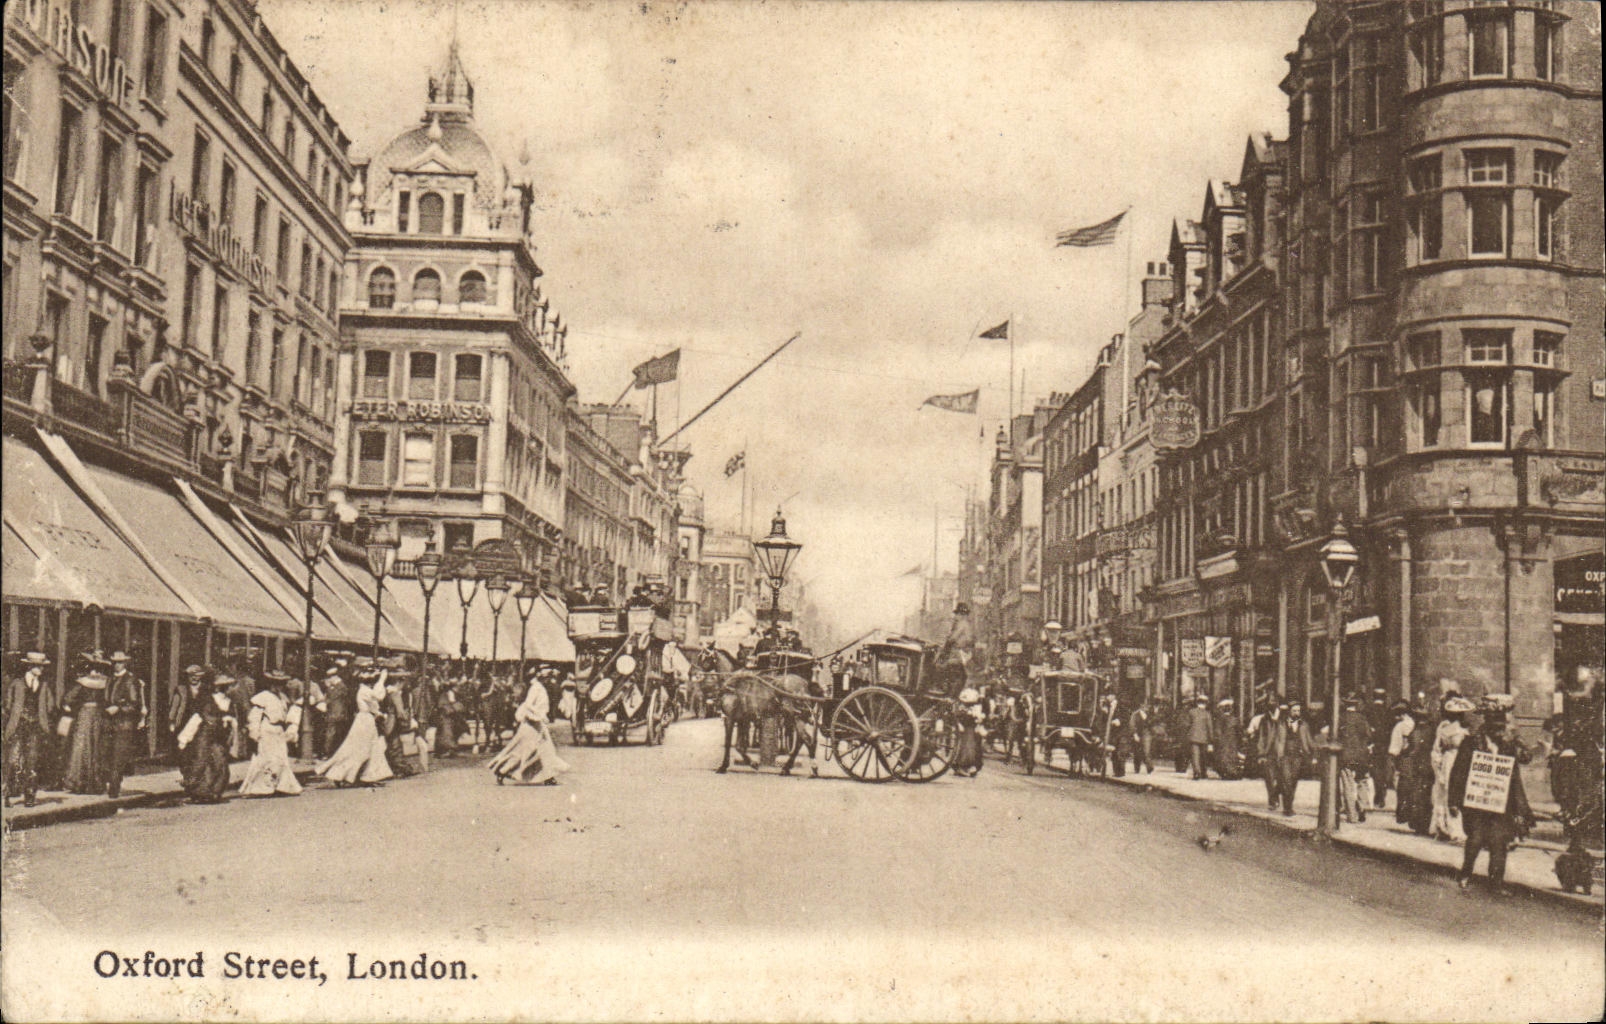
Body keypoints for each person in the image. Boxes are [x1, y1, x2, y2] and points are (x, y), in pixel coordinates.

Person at [1449, 694, 1533, 895]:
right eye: (1495, 725)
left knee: (1499, 842)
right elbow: (1458, 772)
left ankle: (1496, 883)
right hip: (1477, 799)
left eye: (1501, 724)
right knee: (1476, 838)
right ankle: (1466, 873)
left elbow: (1526, 758)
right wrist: (1453, 800)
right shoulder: (1472, 743)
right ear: (1486, 724)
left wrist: (1518, 740)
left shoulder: (1509, 743)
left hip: (1502, 801)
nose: (1499, 729)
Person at [316, 667, 393, 787]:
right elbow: (379, 697)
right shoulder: (364, 690)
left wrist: (378, 714)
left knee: (371, 748)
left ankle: (369, 776)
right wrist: (382, 680)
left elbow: (373, 706)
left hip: (367, 720)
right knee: (360, 749)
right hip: (364, 721)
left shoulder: (364, 690)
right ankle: (342, 774)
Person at [487, 675, 570, 785]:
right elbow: (529, 704)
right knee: (523, 750)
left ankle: (549, 777)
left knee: (545, 750)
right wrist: (540, 714)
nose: (548, 679)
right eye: (546, 677)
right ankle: (502, 771)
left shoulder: (539, 687)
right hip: (531, 725)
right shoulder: (536, 688)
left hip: (537, 724)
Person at [4, 652, 57, 807]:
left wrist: (44, 717)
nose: (41, 669)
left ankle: (30, 796)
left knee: (32, 762)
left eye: (42, 666)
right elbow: (8, 705)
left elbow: (51, 705)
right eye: (38, 666)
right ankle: (8, 794)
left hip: (35, 726)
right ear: (30, 666)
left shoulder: (44, 685)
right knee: (13, 760)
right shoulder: (17, 683)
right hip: (18, 726)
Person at [239, 671, 303, 797]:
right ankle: (260, 788)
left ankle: (281, 785)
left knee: (280, 759)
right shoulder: (263, 697)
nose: (278, 687)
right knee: (266, 759)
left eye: (281, 684)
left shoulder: (282, 697)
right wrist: (254, 732)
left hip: (278, 731)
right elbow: (255, 716)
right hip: (267, 730)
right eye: (275, 684)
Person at [177, 675, 235, 804]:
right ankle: (200, 792)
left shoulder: (228, 701)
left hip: (219, 736)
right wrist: (184, 738)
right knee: (201, 761)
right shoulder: (208, 700)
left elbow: (231, 717)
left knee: (219, 762)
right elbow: (197, 718)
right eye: (226, 687)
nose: (229, 689)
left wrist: (229, 721)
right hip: (204, 734)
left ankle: (215, 791)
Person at [62, 658, 113, 795]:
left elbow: (68, 699)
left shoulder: (82, 682)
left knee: (83, 747)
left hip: (85, 715)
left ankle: (80, 782)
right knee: (96, 747)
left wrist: (71, 708)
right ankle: (95, 782)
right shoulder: (106, 682)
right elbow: (109, 700)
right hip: (99, 715)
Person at [103, 651, 147, 799]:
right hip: (110, 723)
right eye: (115, 662)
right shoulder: (110, 679)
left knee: (118, 756)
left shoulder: (130, 680)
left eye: (120, 662)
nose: (117, 665)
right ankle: (110, 784)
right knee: (109, 755)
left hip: (124, 724)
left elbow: (134, 704)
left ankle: (114, 788)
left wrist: (119, 708)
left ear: (125, 663)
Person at [1260, 701, 1315, 816]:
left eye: (1298, 711)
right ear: (1289, 711)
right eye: (1294, 711)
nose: (1297, 713)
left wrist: (1313, 753)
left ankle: (1277, 794)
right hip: (1284, 755)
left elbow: (1309, 741)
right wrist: (1264, 753)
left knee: (1293, 781)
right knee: (1287, 781)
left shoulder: (1304, 725)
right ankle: (1288, 808)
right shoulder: (1280, 724)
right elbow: (1272, 738)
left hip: (1298, 756)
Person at [1430, 695, 1474, 842]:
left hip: (1455, 760)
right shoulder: (1453, 729)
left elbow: (1437, 749)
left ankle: (1446, 826)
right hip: (1453, 760)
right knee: (1451, 792)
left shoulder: (1453, 729)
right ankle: (1451, 828)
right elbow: (1438, 748)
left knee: (1451, 792)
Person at [1337, 695, 1374, 823]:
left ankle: (1352, 815)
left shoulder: (1341, 718)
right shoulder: (1362, 718)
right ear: (1355, 705)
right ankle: (1362, 806)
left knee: (1348, 785)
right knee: (1362, 781)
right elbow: (1368, 735)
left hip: (1346, 756)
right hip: (1361, 756)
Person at [1383, 701, 1414, 816]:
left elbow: (1402, 743)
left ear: (1401, 714)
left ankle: (1403, 810)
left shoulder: (1402, 725)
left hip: (1400, 756)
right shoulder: (1411, 723)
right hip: (1407, 757)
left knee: (1401, 784)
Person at [937, 602, 974, 693]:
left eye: (957, 614)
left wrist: (945, 645)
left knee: (945, 670)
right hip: (961, 654)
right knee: (958, 675)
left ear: (961, 614)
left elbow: (953, 638)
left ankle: (947, 692)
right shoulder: (965, 624)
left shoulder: (962, 624)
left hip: (958, 655)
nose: (955, 617)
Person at [320, 662, 353, 761]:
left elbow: (332, 698)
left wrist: (329, 688)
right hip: (334, 713)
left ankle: (328, 753)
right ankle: (329, 752)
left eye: (330, 677)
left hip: (337, 713)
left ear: (334, 677)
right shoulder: (337, 686)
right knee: (332, 732)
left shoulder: (340, 686)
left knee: (331, 733)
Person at [951, 687, 986, 778]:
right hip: (966, 730)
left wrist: (978, 719)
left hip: (972, 729)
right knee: (966, 748)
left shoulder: (973, 708)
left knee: (973, 748)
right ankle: (962, 766)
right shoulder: (962, 708)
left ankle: (970, 766)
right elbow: (958, 717)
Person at [1185, 693, 1214, 780]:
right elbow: (1210, 727)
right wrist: (1211, 740)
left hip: (1193, 737)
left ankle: (1196, 773)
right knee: (1203, 756)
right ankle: (1203, 772)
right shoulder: (1207, 714)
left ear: (1197, 703)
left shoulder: (1191, 712)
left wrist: (1188, 734)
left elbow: (1187, 724)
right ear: (1205, 703)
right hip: (1204, 738)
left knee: (1195, 756)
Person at [1211, 698, 1242, 779]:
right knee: (1232, 756)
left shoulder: (1219, 719)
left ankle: (1226, 773)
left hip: (1223, 741)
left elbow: (1217, 731)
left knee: (1223, 756)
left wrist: (1217, 740)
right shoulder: (1234, 719)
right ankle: (1233, 772)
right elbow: (1239, 731)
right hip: (1232, 741)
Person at [1128, 700, 1154, 774]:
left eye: (1147, 706)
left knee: (1146, 751)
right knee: (1137, 752)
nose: (1146, 707)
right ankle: (1137, 768)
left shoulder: (1149, 714)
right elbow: (1132, 725)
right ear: (1141, 706)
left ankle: (1149, 767)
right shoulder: (1135, 714)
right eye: (1144, 706)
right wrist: (1135, 734)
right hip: (1138, 734)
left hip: (1147, 734)